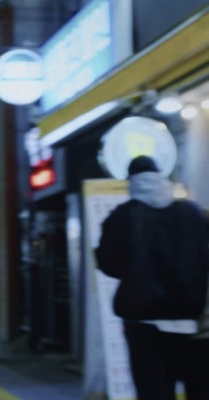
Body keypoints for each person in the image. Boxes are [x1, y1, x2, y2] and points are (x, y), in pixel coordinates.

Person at [95, 155, 209, 400]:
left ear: (132, 182)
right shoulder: (192, 212)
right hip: (189, 317)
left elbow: (109, 264)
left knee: (153, 389)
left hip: (142, 318)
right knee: (198, 387)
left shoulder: (122, 216)